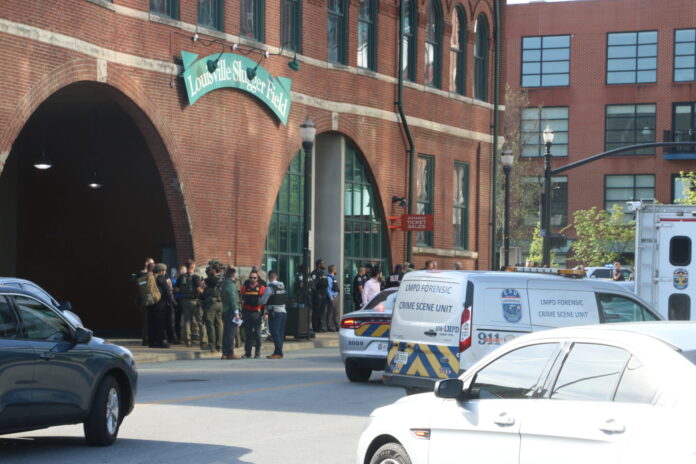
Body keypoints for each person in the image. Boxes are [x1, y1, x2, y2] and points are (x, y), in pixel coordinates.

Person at [259, 270, 287, 359]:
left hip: (275, 313)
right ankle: (278, 352)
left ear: (269, 277)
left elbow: (263, 301)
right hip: (283, 312)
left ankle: (278, 353)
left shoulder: (269, 288)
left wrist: (258, 300)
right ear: (276, 277)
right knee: (280, 333)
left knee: (275, 333)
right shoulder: (282, 286)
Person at [175, 259, 202, 347]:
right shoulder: (195, 277)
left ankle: (188, 341)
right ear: (193, 266)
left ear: (186, 267)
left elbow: (176, 289)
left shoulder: (181, 277)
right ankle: (203, 340)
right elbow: (198, 289)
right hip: (194, 302)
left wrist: (183, 290)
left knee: (187, 321)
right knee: (200, 321)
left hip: (184, 301)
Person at [241, 271, 266, 358]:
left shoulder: (262, 287)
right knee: (248, 334)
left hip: (257, 313)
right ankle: (248, 353)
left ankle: (257, 353)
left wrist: (265, 313)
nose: (252, 279)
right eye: (251, 277)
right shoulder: (245, 286)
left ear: (257, 278)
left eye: (254, 278)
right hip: (247, 313)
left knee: (257, 334)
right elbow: (242, 299)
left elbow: (265, 302)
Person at [201, 262, 224, 352]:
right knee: (219, 323)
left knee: (209, 323)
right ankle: (219, 345)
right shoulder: (223, 278)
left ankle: (212, 344)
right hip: (220, 302)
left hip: (212, 303)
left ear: (214, 270)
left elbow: (201, 285)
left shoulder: (211, 279)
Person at [149, 263, 173, 348]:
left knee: (152, 322)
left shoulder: (151, 277)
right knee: (161, 323)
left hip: (151, 303)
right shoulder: (162, 278)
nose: (165, 272)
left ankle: (152, 341)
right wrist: (171, 301)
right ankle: (161, 341)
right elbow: (167, 291)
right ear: (161, 271)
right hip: (161, 303)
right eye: (164, 270)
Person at [220, 266, 241, 359]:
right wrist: (237, 313)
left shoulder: (224, 284)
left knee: (226, 332)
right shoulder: (231, 285)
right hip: (231, 310)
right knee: (231, 332)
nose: (237, 275)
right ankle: (229, 353)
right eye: (236, 273)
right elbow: (233, 299)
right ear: (233, 275)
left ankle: (225, 352)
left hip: (225, 309)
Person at [135, 257, 156, 346]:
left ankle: (148, 339)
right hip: (148, 300)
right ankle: (148, 339)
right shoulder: (144, 275)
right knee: (148, 321)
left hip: (148, 300)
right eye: (152, 264)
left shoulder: (144, 276)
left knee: (148, 321)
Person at [310, 259, 328, 332]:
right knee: (316, 311)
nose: (324, 265)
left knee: (322, 312)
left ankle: (320, 327)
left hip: (323, 293)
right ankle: (315, 327)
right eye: (322, 263)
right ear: (318, 264)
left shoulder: (323, 273)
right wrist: (320, 279)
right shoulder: (314, 273)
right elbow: (314, 284)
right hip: (317, 294)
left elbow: (326, 284)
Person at [324, 265, 339, 331]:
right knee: (330, 312)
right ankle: (329, 326)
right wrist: (331, 298)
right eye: (335, 269)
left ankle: (337, 326)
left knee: (336, 312)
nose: (336, 270)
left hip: (335, 296)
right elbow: (328, 289)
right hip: (332, 297)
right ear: (333, 270)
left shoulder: (333, 277)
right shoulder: (329, 278)